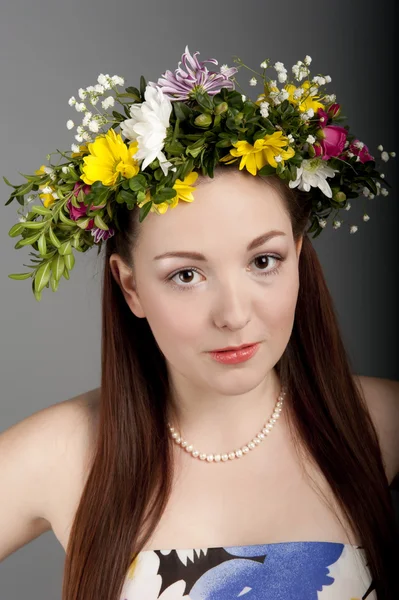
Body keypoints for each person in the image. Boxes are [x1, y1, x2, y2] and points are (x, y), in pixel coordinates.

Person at [1, 46, 399, 600]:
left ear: (299, 255)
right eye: (186, 275)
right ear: (130, 286)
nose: (235, 315)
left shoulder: (383, 425)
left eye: (264, 262)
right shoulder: (65, 452)